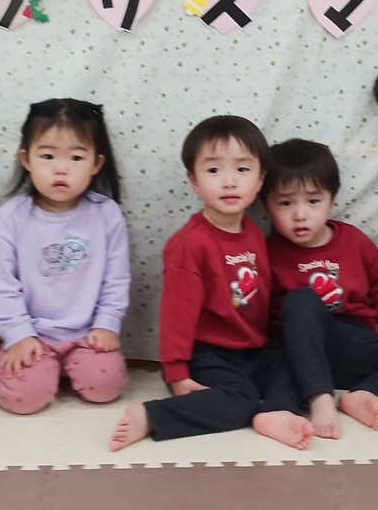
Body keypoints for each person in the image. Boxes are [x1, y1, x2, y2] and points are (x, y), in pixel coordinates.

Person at [110, 115, 314, 452]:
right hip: (208, 355)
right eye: (214, 170)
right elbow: (176, 315)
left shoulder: (254, 234)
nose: (229, 182)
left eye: (242, 169)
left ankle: (276, 412)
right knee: (240, 400)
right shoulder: (190, 244)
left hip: (255, 350)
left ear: (260, 179)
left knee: (298, 367)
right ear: (194, 180)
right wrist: (177, 372)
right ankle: (152, 416)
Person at [264, 138, 378, 438]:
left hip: (351, 343)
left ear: (331, 200)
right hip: (298, 353)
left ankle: (367, 394)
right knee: (301, 300)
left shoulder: (353, 241)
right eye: (285, 203)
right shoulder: (267, 252)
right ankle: (319, 398)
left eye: (313, 201)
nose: (300, 214)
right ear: (266, 206)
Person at [0, 98, 131, 414]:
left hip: (87, 336)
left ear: (96, 164)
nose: (61, 168)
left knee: (107, 385)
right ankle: (15, 372)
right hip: (32, 335)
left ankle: (68, 370)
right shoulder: (10, 218)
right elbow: (0, 287)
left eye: (76, 157)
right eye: (47, 156)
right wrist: (18, 335)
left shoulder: (106, 214)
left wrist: (107, 324)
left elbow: (116, 279)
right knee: (25, 397)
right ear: (26, 159)